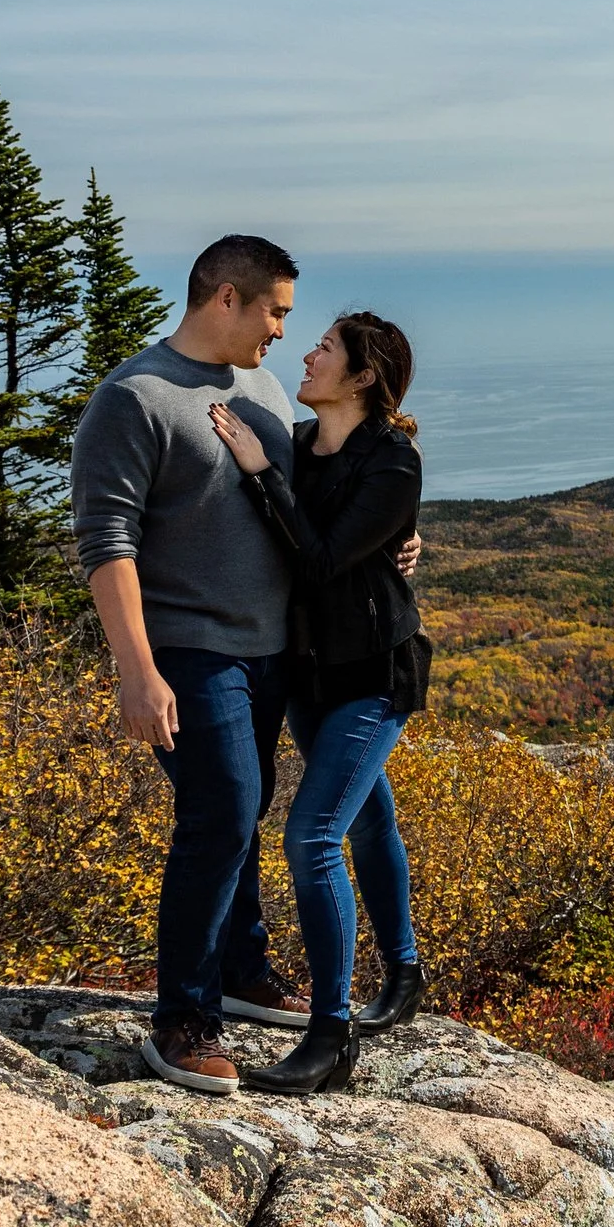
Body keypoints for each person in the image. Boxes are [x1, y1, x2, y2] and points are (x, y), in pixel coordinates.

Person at [73, 235, 317, 1095]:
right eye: (275, 310)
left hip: (268, 649)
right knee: (222, 809)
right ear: (226, 297)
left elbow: (289, 503)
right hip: (186, 647)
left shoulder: (262, 388)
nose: (284, 329)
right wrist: (136, 668)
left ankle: (244, 970)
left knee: (245, 806)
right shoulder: (133, 398)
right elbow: (107, 542)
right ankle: (182, 1015)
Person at [209, 311, 430, 1094]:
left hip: (373, 673)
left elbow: (327, 557)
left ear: (363, 376)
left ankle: (330, 1035)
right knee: (368, 815)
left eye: (326, 347)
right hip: (308, 672)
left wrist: (256, 469)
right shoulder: (302, 447)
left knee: (312, 836)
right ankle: (405, 970)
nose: (307, 352)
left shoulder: (392, 459)